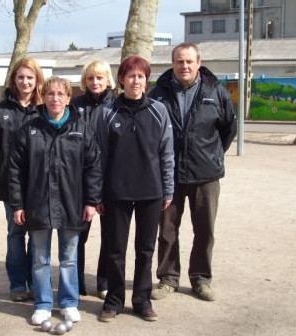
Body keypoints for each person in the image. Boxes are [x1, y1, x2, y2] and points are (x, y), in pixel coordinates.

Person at [9, 77, 102, 325]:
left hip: (72, 204)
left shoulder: (81, 128)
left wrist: (91, 201)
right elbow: (15, 170)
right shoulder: (30, 129)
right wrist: (18, 205)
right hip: (37, 203)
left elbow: (93, 167)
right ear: (43, 96)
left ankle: (69, 302)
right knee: (40, 258)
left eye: (61, 94)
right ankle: (42, 304)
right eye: (50, 94)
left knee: (69, 257)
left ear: (69, 98)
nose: (55, 98)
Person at [148, 42, 237, 302]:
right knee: (166, 231)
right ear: (172, 64)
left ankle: (200, 279)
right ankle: (167, 278)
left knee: (205, 230)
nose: (184, 66)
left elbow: (228, 128)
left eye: (189, 61)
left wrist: (212, 154)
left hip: (205, 175)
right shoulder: (159, 93)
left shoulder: (215, 91)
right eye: (179, 61)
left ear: (199, 63)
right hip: (169, 174)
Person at [97, 55, 174, 322]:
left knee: (145, 249)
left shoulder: (158, 110)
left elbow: (167, 152)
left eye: (141, 76)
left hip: (150, 192)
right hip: (115, 192)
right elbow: (98, 156)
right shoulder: (107, 112)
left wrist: (168, 188)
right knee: (115, 249)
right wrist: (96, 193)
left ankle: (141, 300)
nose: (136, 81)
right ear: (121, 80)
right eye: (131, 76)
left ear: (146, 80)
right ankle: (114, 300)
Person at [0, 57, 44, 302]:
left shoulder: (43, 111)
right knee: (15, 234)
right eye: (21, 77)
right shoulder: (1, 110)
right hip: (10, 185)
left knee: (37, 236)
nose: (25, 82)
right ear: (13, 80)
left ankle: (35, 281)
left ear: (37, 81)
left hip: (38, 185)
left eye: (30, 77)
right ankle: (17, 284)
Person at [70, 60, 115, 299]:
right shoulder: (74, 105)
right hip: (79, 181)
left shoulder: (117, 106)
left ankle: (104, 281)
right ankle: (76, 282)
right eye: (90, 78)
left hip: (110, 180)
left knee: (109, 235)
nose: (95, 82)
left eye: (99, 77)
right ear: (84, 81)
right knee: (78, 234)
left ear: (108, 79)